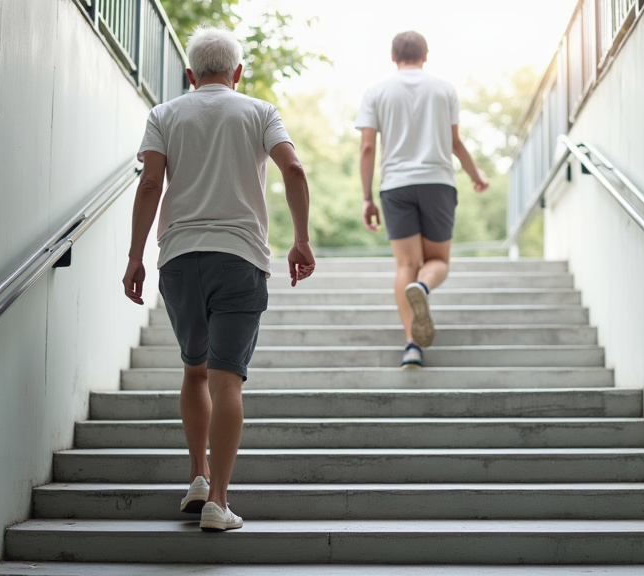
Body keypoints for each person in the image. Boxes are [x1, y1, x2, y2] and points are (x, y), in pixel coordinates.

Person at [122, 27, 314, 532]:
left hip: (180, 259)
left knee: (194, 370)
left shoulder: (164, 114)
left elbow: (149, 183)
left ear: (190, 75)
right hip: (240, 257)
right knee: (228, 378)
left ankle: (198, 477)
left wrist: (135, 257)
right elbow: (294, 170)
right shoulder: (259, 111)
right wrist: (301, 239)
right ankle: (219, 504)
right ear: (237, 73)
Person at [355, 30, 489, 370]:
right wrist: (476, 176)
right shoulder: (444, 89)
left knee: (404, 264)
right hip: (438, 183)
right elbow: (455, 143)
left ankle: (412, 347)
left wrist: (367, 198)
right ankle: (423, 286)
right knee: (438, 261)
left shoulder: (376, 92)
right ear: (425, 55)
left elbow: (368, 147)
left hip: (396, 186)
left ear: (392, 56)